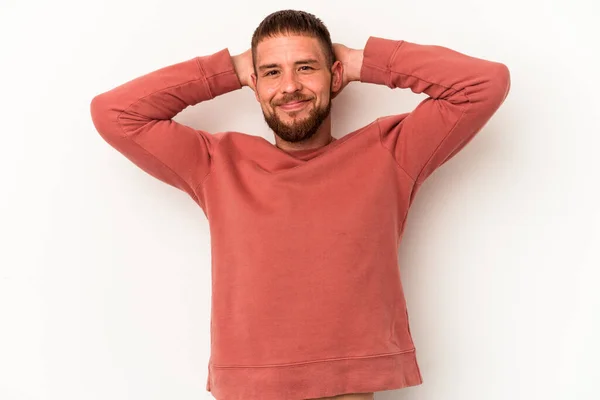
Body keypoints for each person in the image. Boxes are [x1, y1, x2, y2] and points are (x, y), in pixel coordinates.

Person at [90, 9, 510, 400]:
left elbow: (483, 85)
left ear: (334, 75)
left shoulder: (389, 153)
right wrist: (231, 70)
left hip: (350, 382)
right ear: (254, 84)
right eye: (272, 72)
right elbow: (114, 113)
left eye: (306, 67)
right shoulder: (217, 163)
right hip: (250, 385)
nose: (289, 86)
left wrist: (363, 62)